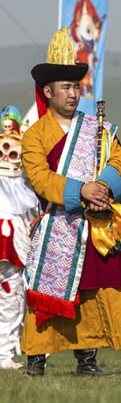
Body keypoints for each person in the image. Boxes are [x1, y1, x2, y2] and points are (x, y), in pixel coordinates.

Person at [22, 28, 121, 376]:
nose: (72, 94)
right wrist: (81, 191)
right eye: (65, 88)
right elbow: (39, 177)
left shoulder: (98, 129)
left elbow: (119, 163)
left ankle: (88, 360)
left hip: (94, 224)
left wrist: (103, 188)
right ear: (48, 91)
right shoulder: (34, 135)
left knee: (91, 292)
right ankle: (37, 359)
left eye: (75, 87)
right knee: (46, 291)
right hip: (57, 223)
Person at [0, 106, 38, 369]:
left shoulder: (25, 197)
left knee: (12, 297)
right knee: (10, 297)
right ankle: (3, 353)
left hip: (15, 239)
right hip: (11, 237)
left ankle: (5, 352)